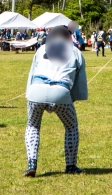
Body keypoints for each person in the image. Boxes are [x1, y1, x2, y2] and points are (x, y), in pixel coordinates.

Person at [23, 18, 88, 177]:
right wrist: (72, 98)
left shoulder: (41, 49)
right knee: (71, 126)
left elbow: (32, 74)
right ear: (68, 37)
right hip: (61, 92)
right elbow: (79, 82)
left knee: (32, 125)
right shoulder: (75, 51)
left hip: (36, 91)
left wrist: (28, 94)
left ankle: (32, 163)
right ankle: (71, 165)